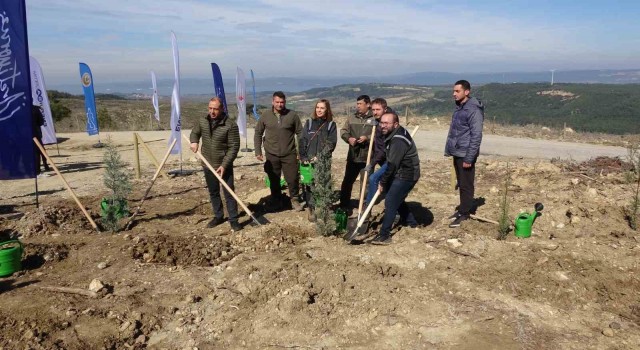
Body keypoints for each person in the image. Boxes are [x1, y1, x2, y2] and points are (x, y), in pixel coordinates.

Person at [190, 97, 242, 231]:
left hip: (224, 165)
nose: (212, 111)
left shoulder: (230, 125)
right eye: (210, 108)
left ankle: (233, 219)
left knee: (229, 193)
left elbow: (234, 147)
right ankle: (218, 216)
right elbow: (195, 133)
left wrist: (224, 165)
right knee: (213, 192)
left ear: (222, 109)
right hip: (207, 163)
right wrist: (194, 141)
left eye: (215, 109)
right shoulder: (203, 121)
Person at [370, 112, 420, 245]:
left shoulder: (398, 140)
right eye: (382, 123)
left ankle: (384, 235)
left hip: (407, 174)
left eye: (387, 123)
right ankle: (411, 222)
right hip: (400, 172)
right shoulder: (392, 134)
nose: (383, 126)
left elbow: (392, 165)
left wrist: (382, 181)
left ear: (396, 124)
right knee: (396, 197)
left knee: (391, 200)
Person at [254, 91, 304, 211]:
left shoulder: (292, 115)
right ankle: (276, 199)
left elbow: (300, 133)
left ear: (285, 102)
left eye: (282, 102)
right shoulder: (265, 115)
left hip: (289, 153)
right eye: (277, 102)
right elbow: (258, 133)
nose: (279, 104)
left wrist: (300, 151)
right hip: (271, 154)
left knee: (292, 178)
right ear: (273, 102)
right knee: (273, 178)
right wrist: (257, 151)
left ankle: (295, 200)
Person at [444, 80, 484, 228]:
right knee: (461, 183)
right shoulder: (460, 107)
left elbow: (476, 135)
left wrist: (469, 157)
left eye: (457, 91)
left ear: (466, 92)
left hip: (466, 153)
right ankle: (462, 209)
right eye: (454, 91)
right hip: (458, 151)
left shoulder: (473, 110)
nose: (454, 94)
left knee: (466, 184)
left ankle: (465, 213)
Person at [299, 99, 338, 222]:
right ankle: (312, 209)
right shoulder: (309, 123)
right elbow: (302, 140)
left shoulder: (331, 125)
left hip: (323, 161)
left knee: (324, 184)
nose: (319, 110)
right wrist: (304, 156)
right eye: (318, 107)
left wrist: (320, 157)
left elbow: (331, 144)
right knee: (310, 185)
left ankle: (324, 208)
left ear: (327, 110)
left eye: (322, 108)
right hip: (309, 161)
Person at [339, 95, 375, 213]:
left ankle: (364, 207)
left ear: (368, 104)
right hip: (353, 157)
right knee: (347, 181)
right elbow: (343, 131)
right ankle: (344, 204)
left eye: (360, 104)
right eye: (357, 104)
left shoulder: (375, 119)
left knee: (366, 184)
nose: (358, 106)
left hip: (367, 157)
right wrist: (348, 138)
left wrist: (368, 138)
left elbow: (379, 135)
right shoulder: (352, 118)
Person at [364, 98, 394, 206]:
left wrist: (372, 163)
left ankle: (369, 203)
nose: (375, 112)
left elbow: (382, 149)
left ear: (385, 109)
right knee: (389, 184)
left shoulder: (386, 125)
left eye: (378, 109)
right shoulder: (380, 121)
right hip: (384, 159)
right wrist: (376, 122)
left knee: (373, 178)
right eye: (373, 110)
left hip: (391, 159)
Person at [32, 105, 50, 175]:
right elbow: (41, 121)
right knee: (39, 150)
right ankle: (40, 168)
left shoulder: (20, 108)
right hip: (35, 133)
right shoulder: (35, 109)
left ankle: (40, 167)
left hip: (24, 134)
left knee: (37, 151)